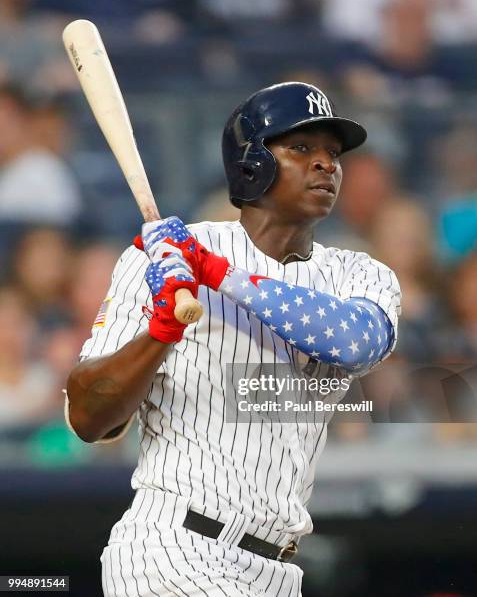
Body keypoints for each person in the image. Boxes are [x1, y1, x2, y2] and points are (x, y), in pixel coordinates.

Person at [66, 82, 401, 596]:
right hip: (173, 549)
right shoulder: (166, 255)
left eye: (333, 153)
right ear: (251, 162)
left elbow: (354, 343)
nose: (326, 164)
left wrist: (218, 275)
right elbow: (89, 418)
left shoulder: (360, 274)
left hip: (278, 569)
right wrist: (162, 331)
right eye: (301, 148)